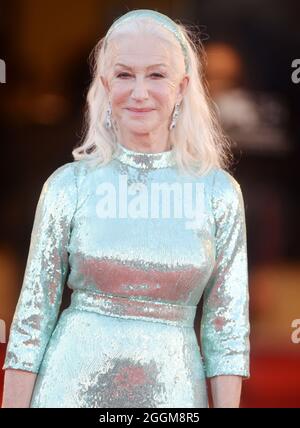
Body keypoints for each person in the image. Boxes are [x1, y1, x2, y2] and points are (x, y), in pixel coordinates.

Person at [1, 9, 250, 408]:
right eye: (123, 74)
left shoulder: (217, 193)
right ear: (103, 83)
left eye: (156, 75)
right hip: (68, 390)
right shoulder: (69, 186)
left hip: (175, 396)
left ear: (183, 86)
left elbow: (227, 330)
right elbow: (32, 320)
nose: (139, 92)